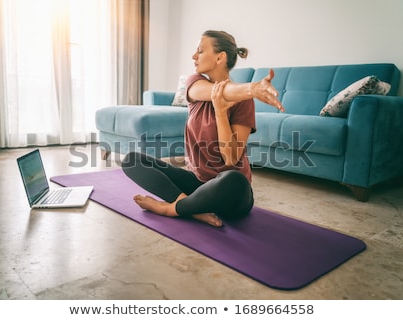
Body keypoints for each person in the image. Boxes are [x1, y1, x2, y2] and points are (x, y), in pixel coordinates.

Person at [121, 30, 284, 227]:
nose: (194, 56)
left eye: (200, 51)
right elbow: (219, 91)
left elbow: (231, 158)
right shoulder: (195, 83)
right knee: (131, 160)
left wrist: (221, 113)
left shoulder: (244, 103)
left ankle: (170, 209)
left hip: (228, 193)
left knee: (234, 179)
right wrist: (251, 88)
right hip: (197, 185)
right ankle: (188, 206)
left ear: (220, 57)